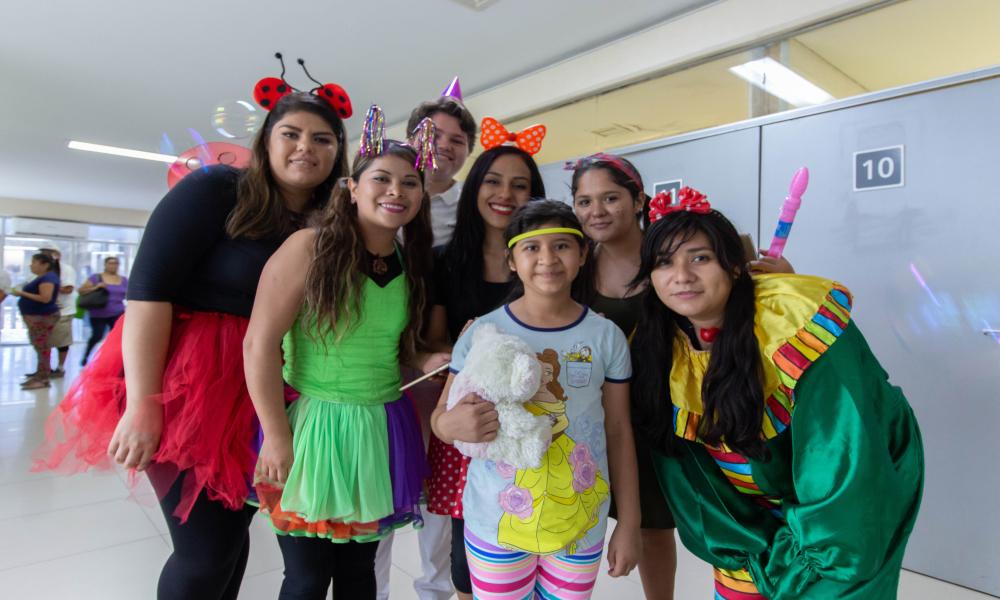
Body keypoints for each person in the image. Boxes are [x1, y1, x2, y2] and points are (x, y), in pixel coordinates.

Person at [33, 90, 349, 600]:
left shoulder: (329, 222)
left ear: (338, 152)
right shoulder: (217, 188)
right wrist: (143, 406)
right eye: (290, 134)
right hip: (189, 383)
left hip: (267, 385)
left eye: (322, 139)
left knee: (230, 539)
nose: (304, 148)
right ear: (266, 140)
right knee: (203, 553)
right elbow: (148, 290)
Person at [629, 189, 924, 599]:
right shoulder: (656, 346)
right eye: (664, 262)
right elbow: (690, 478)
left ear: (734, 267)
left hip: (841, 517)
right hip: (745, 523)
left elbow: (844, 456)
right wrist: (747, 544)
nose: (681, 276)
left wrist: (807, 559)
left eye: (700, 257)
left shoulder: (797, 330)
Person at [569, 154, 794, 599]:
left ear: (638, 200)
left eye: (610, 197)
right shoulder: (575, 266)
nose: (596, 211)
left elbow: (754, 296)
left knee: (677, 523)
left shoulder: (677, 246)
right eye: (584, 201)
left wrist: (787, 279)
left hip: (680, 412)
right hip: (601, 417)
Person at [244, 139, 448, 600]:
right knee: (307, 579)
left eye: (410, 182)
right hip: (313, 431)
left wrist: (426, 359)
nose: (396, 190)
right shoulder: (308, 247)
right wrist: (276, 436)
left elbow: (395, 349)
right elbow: (258, 343)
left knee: (361, 578)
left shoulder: (408, 261)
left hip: (379, 429)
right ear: (352, 188)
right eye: (382, 178)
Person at [432, 201, 641, 599]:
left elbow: (618, 430)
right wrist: (447, 424)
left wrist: (629, 523)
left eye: (562, 246)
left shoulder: (606, 336)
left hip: (579, 522)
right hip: (497, 520)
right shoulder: (483, 332)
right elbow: (441, 416)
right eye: (531, 248)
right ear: (511, 259)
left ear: (582, 255)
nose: (548, 259)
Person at [424, 144, 546, 599]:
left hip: (539, 423)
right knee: (469, 564)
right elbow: (435, 342)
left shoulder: (548, 259)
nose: (505, 194)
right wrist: (460, 349)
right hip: (471, 426)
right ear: (474, 187)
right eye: (493, 181)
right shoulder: (445, 260)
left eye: (520, 185)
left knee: (538, 543)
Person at [375, 80, 478, 600]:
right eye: (433, 133)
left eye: (458, 139)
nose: (444, 144)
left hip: (440, 368)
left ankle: (435, 591)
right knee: (381, 488)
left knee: (437, 491)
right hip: (372, 366)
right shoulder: (381, 194)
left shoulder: (471, 211)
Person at [13, 253, 60, 389]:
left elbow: (45, 298)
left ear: (44, 265)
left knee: (43, 347)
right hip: (37, 317)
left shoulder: (48, 278)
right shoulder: (42, 277)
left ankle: (43, 378)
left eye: (34, 262)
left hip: (42, 317)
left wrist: (21, 293)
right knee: (40, 346)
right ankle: (40, 374)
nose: (31, 265)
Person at [78, 256, 128, 365]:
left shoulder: (123, 280)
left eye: (115, 263)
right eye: (110, 263)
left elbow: (128, 294)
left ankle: (114, 360)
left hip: (117, 312)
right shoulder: (96, 278)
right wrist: (96, 287)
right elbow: (81, 291)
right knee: (97, 335)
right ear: (105, 264)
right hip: (98, 313)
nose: (113, 265)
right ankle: (86, 356)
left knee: (117, 338)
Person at [38, 247, 76, 377]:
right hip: (45, 312)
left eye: (47, 254)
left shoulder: (66, 270)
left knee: (62, 342)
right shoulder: (42, 271)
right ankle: (44, 369)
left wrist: (49, 289)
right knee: (44, 342)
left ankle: (60, 368)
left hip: (63, 311)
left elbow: (68, 289)